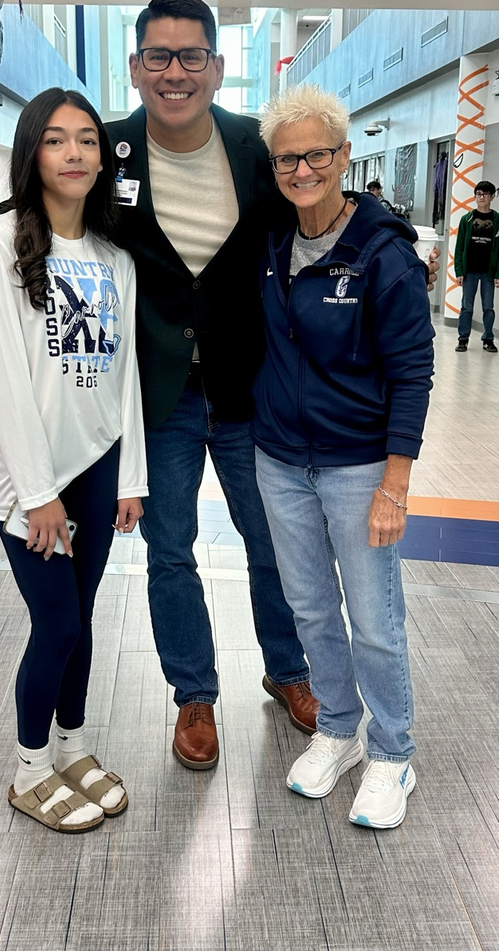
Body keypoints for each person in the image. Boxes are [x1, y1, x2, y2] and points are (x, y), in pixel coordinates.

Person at [0, 0, 440, 772]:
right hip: (156, 397)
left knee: (273, 545)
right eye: (157, 57)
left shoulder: (257, 148)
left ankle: (289, 671)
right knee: (170, 552)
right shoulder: (104, 150)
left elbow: (317, 196)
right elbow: (16, 215)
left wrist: (386, 232)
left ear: (218, 68)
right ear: (135, 67)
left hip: (246, 388)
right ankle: (193, 694)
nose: (175, 72)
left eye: (192, 56)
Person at [252, 84, 434, 829]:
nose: (302, 170)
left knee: (374, 618)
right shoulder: (271, 242)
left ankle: (394, 753)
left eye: (315, 154)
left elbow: (413, 371)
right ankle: (339, 729)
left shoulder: (383, 254)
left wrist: (396, 482)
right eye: (288, 158)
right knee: (310, 610)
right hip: (281, 460)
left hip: (360, 465)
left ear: (342, 155)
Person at [0, 87, 147, 831]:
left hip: (100, 465)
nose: (74, 153)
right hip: (32, 478)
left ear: (103, 158)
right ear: (31, 152)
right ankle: (29, 770)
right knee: (58, 626)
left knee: (84, 617)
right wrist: (38, 493)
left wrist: (130, 475)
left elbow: (125, 373)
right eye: (55, 139)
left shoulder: (113, 257)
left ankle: (73, 751)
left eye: (86, 140)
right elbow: (5, 380)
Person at [454, 180, 499, 354]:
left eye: (486, 194)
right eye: (479, 194)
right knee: (466, 305)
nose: (482, 197)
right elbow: (459, 248)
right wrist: (459, 271)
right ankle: (463, 338)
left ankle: (488, 338)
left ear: (492, 196)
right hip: (470, 270)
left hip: (488, 271)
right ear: (475, 197)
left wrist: (497, 273)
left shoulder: (497, 219)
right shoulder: (467, 219)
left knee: (488, 306)